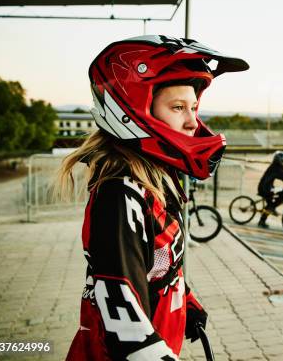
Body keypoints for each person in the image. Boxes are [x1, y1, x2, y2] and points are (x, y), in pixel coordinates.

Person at [58, 35, 249, 360]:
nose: (192, 122)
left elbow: (155, 265)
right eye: (178, 108)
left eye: (194, 108)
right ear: (134, 110)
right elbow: (126, 332)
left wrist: (183, 298)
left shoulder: (153, 183)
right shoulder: (120, 196)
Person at [256, 151, 283, 228]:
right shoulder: (276, 168)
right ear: (281, 161)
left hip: (266, 187)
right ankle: (271, 209)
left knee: (270, 204)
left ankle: (262, 220)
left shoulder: (275, 167)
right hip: (266, 189)